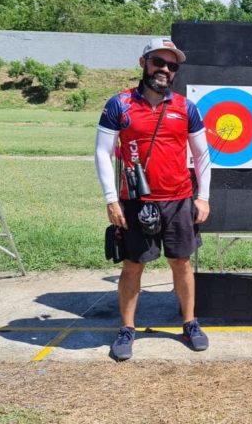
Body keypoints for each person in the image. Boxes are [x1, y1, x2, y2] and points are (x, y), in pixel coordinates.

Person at [95, 38, 212, 361]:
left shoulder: (186, 107)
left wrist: (202, 197)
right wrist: (110, 198)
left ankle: (189, 322)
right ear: (143, 62)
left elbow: (202, 156)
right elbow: (103, 153)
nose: (165, 70)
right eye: (158, 62)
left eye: (172, 65)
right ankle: (127, 328)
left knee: (182, 263)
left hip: (178, 200)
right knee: (134, 265)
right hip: (135, 201)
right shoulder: (119, 104)